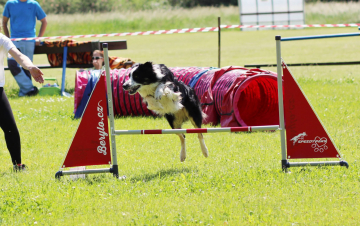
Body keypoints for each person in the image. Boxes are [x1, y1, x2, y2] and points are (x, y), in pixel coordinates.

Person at [0, 32, 44, 171]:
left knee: (10, 128)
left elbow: (19, 55)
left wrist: (30, 66)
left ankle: (18, 165)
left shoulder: (1, 38)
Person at [2, 0, 47, 97]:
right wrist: (7, 38)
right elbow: (4, 22)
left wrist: (38, 38)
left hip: (29, 40)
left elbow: (44, 21)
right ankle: (29, 88)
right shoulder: (10, 4)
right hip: (13, 40)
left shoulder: (34, 4)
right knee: (12, 63)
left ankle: (26, 92)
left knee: (28, 68)